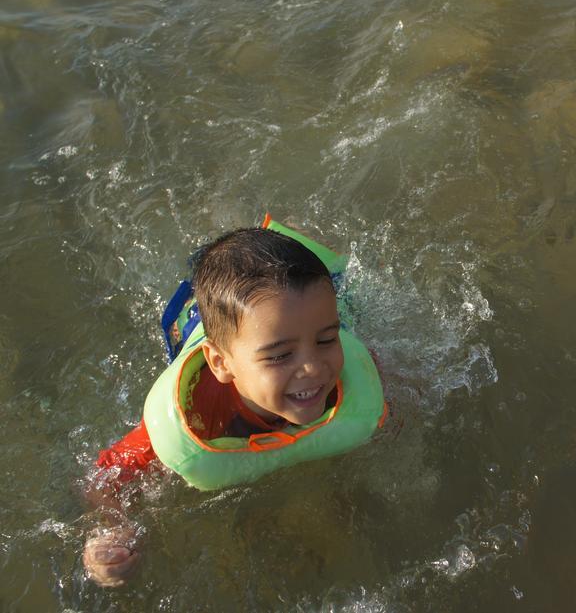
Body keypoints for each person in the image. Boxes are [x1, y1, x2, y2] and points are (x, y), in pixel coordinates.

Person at [82, 223, 384, 587]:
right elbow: (104, 475)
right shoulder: (195, 415)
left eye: (326, 340)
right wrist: (113, 532)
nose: (314, 368)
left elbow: (381, 393)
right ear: (222, 364)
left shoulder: (352, 376)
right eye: (280, 356)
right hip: (202, 321)